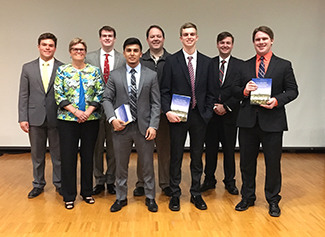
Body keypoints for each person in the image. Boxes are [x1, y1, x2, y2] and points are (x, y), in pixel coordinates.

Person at [232, 26, 298, 217]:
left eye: (264, 39)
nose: (261, 42)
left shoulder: (284, 65)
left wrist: (276, 101)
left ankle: (273, 200)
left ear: (272, 41)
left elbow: (293, 91)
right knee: (246, 163)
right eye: (257, 39)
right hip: (248, 122)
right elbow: (234, 91)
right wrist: (245, 90)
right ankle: (248, 197)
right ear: (253, 42)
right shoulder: (244, 66)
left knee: (272, 163)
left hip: (273, 121)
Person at [102, 37, 160, 213]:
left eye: (136, 50)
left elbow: (156, 103)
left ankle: (150, 197)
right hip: (122, 128)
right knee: (121, 165)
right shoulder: (115, 75)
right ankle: (121, 197)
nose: (132, 54)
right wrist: (112, 119)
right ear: (124, 53)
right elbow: (106, 99)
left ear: (141, 53)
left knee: (148, 165)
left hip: (144, 128)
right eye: (129, 50)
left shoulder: (151, 75)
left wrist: (154, 125)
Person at [160, 22, 214, 211]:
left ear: (197, 37)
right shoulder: (171, 61)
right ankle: (175, 194)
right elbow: (164, 91)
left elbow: (211, 92)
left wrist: (206, 113)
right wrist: (167, 112)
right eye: (185, 34)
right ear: (181, 38)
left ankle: (195, 193)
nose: (189, 37)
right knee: (176, 157)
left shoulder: (208, 62)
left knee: (197, 157)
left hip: (199, 116)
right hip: (178, 117)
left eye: (192, 34)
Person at [54, 38, 104, 209]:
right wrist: (75, 112)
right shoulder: (62, 71)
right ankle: (69, 195)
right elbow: (59, 95)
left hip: (90, 120)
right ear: (70, 51)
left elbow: (100, 93)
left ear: (85, 52)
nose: (79, 51)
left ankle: (87, 192)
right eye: (75, 49)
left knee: (88, 156)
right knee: (68, 158)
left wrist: (88, 112)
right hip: (68, 120)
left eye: (82, 49)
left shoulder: (94, 71)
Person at [18, 32, 63, 199]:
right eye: (44, 45)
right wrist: (23, 117)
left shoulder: (62, 67)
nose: (47, 48)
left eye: (51, 45)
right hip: (35, 117)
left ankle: (59, 183)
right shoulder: (27, 68)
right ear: (39, 47)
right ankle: (38, 184)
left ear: (55, 48)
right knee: (37, 154)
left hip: (56, 117)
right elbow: (23, 94)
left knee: (58, 154)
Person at [201, 32, 243, 195]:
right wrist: (212, 106)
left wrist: (226, 106)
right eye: (222, 42)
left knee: (229, 150)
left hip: (230, 115)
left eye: (228, 43)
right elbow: (203, 88)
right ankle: (209, 180)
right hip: (211, 116)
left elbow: (241, 91)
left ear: (232, 45)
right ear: (217, 44)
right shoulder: (208, 64)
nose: (225, 45)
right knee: (210, 149)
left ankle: (230, 181)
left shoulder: (240, 65)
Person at [85, 26, 125, 195]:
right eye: (104, 36)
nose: (107, 38)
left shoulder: (122, 59)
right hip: (94, 110)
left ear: (115, 39)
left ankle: (111, 180)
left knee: (114, 147)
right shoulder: (89, 57)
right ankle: (99, 180)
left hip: (115, 110)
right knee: (96, 146)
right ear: (100, 38)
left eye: (110, 36)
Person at [133, 25, 172, 197]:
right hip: (144, 115)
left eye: (159, 36)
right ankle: (142, 183)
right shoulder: (140, 61)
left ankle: (166, 183)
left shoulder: (172, 60)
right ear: (147, 40)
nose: (155, 39)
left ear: (163, 39)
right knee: (143, 149)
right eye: (152, 36)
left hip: (165, 114)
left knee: (165, 149)